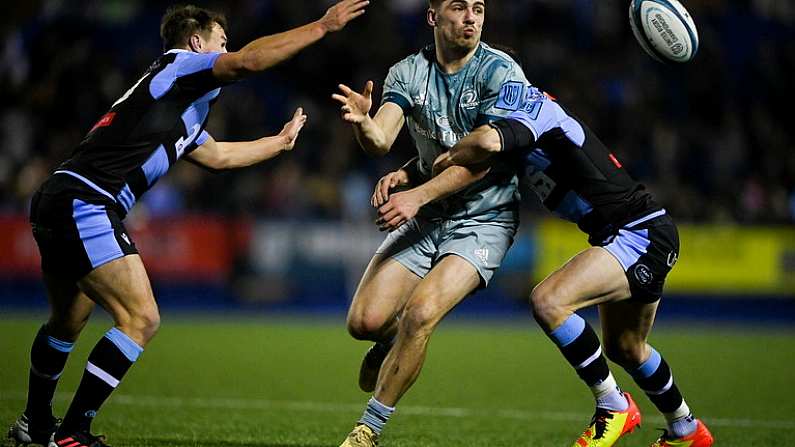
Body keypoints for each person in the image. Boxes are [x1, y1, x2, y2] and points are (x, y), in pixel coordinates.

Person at [7, 2, 368, 446]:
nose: (225, 49)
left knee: (68, 320)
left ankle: (35, 425)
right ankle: (75, 434)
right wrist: (322, 26)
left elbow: (218, 157)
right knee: (140, 317)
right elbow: (248, 62)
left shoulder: (181, 106)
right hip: (86, 200)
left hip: (60, 196)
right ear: (197, 43)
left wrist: (277, 144)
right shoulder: (181, 67)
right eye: (220, 41)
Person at [391, 86, 714, 447]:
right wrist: (408, 176)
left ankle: (613, 406)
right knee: (626, 348)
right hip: (633, 233)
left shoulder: (529, 106)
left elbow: (485, 143)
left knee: (549, 301)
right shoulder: (512, 132)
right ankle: (686, 430)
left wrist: (450, 154)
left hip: (638, 233)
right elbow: (475, 166)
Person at [331, 0, 528, 445]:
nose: (471, 17)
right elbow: (381, 139)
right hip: (429, 212)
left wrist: (415, 193)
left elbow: (483, 161)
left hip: (485, 217)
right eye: (459, 8)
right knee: (363, 322)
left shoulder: (502, 73)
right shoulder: (407, 73)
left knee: (421, 312)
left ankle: (368, 429)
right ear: (433, 17)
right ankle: (392, 341)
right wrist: (364, 122)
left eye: (478, 8)